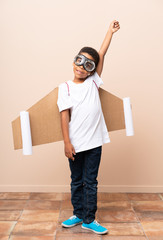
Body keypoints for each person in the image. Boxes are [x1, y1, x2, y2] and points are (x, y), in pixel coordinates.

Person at [57, 20, 120, 235]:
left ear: (92, 70)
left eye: (88, 65)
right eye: (79, 61)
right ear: (74, 60)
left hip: (94, 143)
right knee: (76, 181)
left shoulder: (93, 82)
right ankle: (78, 213)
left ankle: (89, 219)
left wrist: (109, 32)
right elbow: (64, 116)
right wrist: (67, 142)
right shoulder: (64, 87)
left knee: (90, 182)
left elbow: (102, 54)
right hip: (75, 144)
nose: (82, 67)